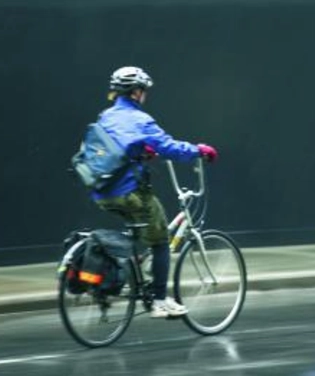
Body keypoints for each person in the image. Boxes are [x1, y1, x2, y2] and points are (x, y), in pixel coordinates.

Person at [91, 66, 219, 317]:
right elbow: (170, 147)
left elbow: (115, 146)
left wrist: (141, 151)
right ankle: (159, 300)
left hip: (102, 191)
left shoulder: (105, 117)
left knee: (138, 231)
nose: (145, 95)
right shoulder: (141, 120)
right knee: (160, 239)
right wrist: (199, 150)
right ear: (136, 93)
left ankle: (121, 275)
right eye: (143, 91)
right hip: (129, 191)